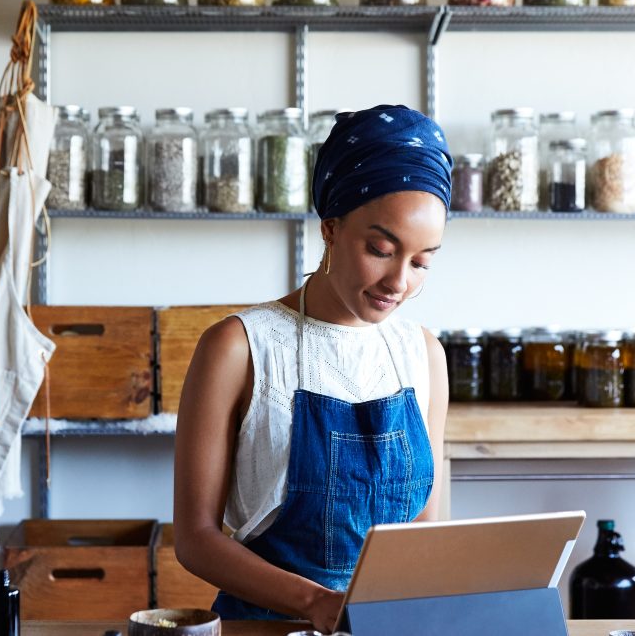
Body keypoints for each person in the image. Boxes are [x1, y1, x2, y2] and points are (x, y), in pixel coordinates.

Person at [172, 105, 453, 632]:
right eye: (380, 249)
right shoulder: (239, 347)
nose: (399, 281)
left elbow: (423, 533)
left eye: (421, 263)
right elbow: (196, 540)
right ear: (330, 228)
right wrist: (318, 605)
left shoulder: (424, 354)